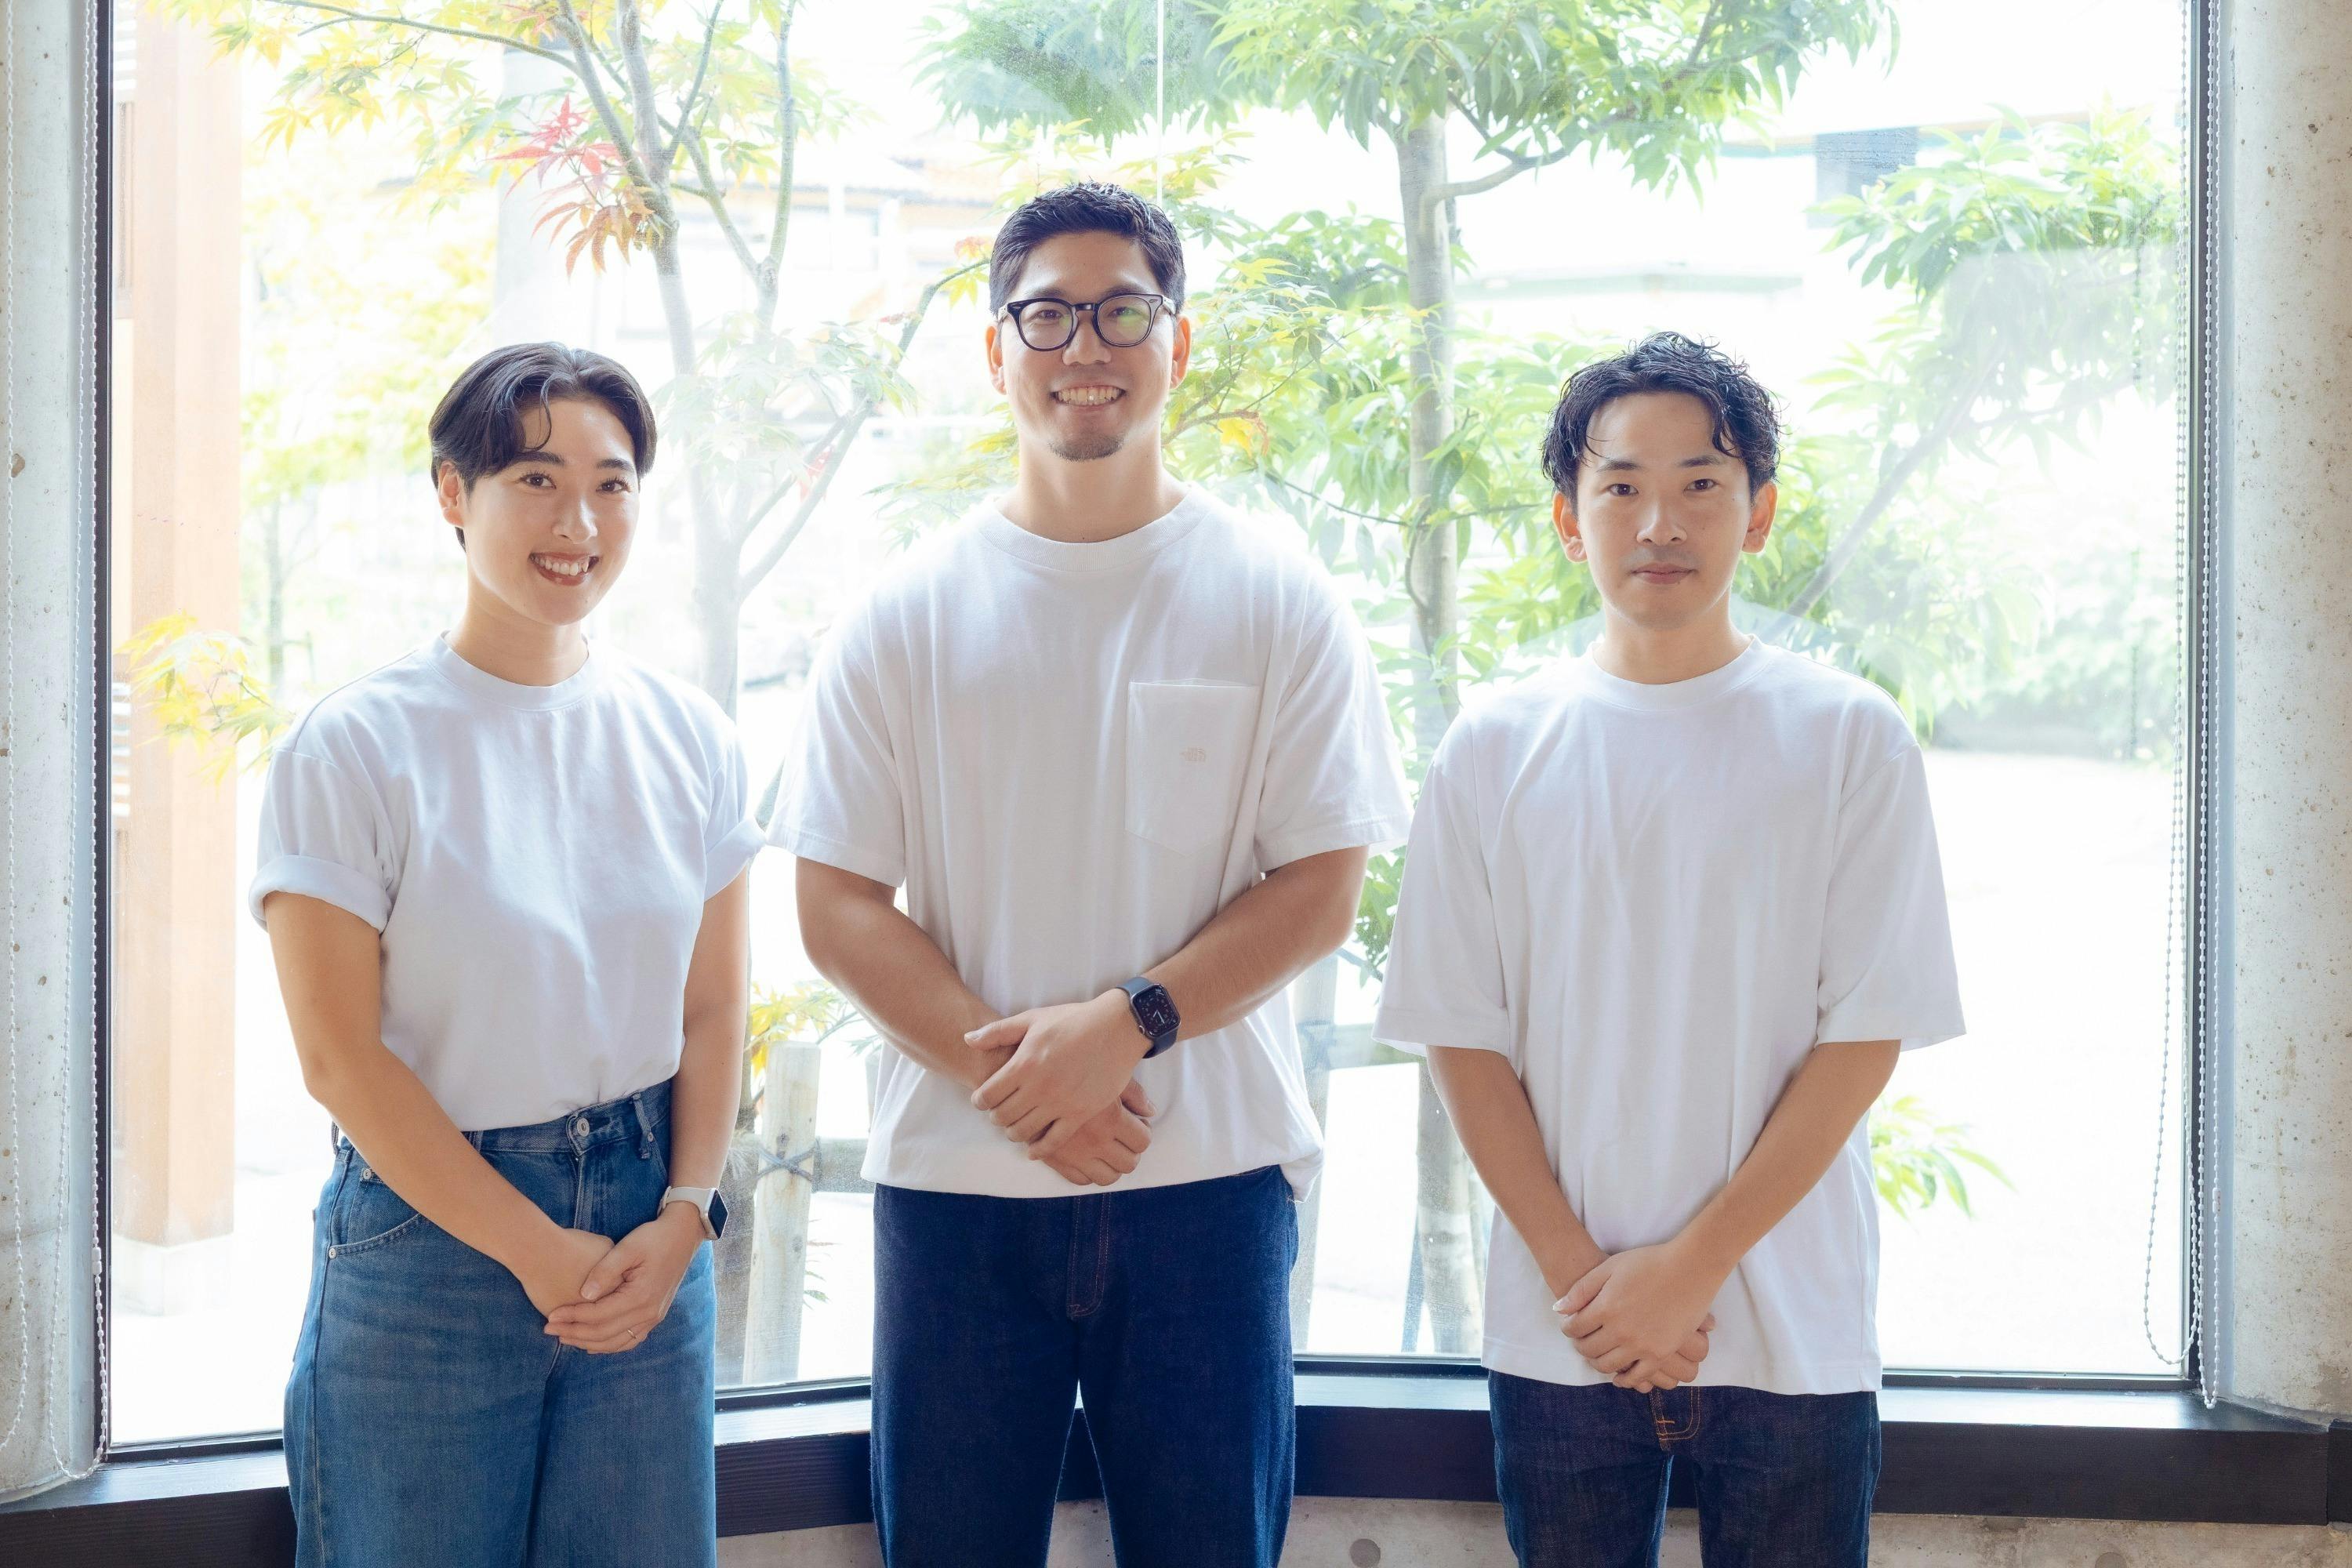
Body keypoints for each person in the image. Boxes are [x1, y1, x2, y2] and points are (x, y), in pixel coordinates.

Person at [775, 182, 1410, 1568]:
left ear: (1178, 342)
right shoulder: (901, 612)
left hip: (1209, 1187)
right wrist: (1018, 1081)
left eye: (1124, 312)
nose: (1085, 347)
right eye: (1047, 314)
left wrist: (1128, 1026)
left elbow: (1324, 881)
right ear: (994, 349)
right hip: (958, 1187)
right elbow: (833, 904)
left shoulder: (1278, 597)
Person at [1373, 332, 1965, 1568]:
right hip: (1563, 1331)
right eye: (1621, 486)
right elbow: (1460, 1039)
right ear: (1567, 518)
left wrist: (1690, 1270)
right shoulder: (1493, 745)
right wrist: (1584, 1281)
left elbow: (1865, 1038)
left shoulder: (1849, 736)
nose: (1660, 522)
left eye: (1702, 483)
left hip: (1793, 1331)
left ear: (1759, 514)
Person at [252, 343, 760, 1568]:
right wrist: (538, 1250)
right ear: (452, 492)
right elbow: (339, 1060)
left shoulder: (689, 734)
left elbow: (711, 1009)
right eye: (536, 480)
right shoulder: (355, 746)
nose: (577, 521)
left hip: (650, 1234)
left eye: (611, 484)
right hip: (429, 1245)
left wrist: (687, 1214)